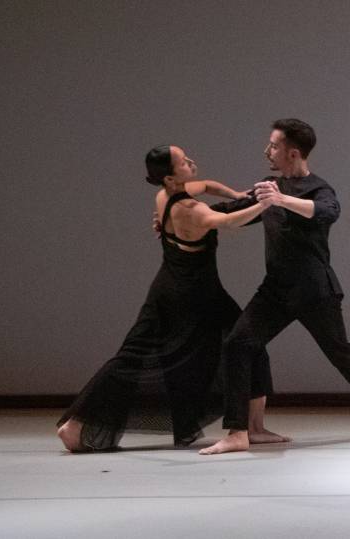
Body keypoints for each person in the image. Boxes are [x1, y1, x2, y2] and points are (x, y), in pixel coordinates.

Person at [57, 145, 270, 452]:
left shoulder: (165, 196)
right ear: (170, 179)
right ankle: (252, 427)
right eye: (184, 162)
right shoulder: (189, 210)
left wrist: (238, 194)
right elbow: (229, 222)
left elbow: (208, 186)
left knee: (133, 353)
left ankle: (75, 424)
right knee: (246, 341)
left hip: (169, 288)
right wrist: (267, 204)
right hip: (194, 295)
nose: (192, 162)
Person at [202, 119, 350, 455]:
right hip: (275, 291)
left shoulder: (319, 189)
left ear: (293, 153)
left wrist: (280, 201)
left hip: (314, 291)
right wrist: (181, 216)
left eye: (273, 146)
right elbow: (228, 211)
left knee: (340, 352)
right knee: (238, 343)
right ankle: (239, 431)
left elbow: (327, 213)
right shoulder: (268, 186)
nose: (267, 151)